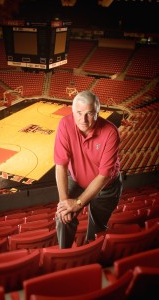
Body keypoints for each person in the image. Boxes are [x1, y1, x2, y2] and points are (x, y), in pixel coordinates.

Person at [54, 90, 122, 248]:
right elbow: (61, 165)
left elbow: (104, 176)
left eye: (89, 113)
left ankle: (90, 254)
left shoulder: (111, 132)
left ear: (98, 112)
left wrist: (77, 203)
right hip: (77, 180)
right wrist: (65, 202)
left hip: (106, 187)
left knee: (96, 230)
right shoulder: (65, 124)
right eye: (78, 113)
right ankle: (64, 254)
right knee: (63, 216)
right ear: (72, 112)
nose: (83, 119)